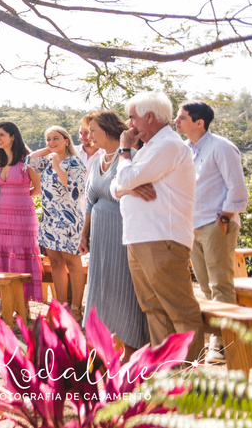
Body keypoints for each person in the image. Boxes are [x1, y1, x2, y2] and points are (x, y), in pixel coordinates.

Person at [111, 91, 204, 361]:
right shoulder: (149, 149)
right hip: (140, 237)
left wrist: (125, 153)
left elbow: (124, 179)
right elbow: (116, 186)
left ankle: (187, 377)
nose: (129, 126)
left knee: (179, 310)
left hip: (163, 237)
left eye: (132, 118)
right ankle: (166, 373)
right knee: (153, 308)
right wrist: (128, 187)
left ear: (149, 117)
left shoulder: (169, 146)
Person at [177, 100, 248, 361]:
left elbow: (238, 188)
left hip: (217, 223)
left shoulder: (222, 147)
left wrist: (226, 217)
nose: (177, 121)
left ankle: (222, 344)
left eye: (181, 117)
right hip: (192, 224)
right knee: (205, 286)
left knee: (221, 284)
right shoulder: (184, 149)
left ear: (199, 122)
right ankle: (217, 338)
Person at [79, 110, 149, 353]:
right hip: (99, 237)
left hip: (124, 233)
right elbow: (90, 202)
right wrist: (84, 234)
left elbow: (141, 192)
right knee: (100, 288)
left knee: (124, 288)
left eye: (93, 130)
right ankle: (100, 347)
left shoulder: (132, 157)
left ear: (109, 130)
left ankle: (131, 349)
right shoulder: (98, 160)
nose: (89, 136)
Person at [28, 126, 87, 316]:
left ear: (67, 140)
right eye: (49, 139)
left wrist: (57, 166)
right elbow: (29, 160)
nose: (52, 142)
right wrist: (50, 150)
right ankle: (61, 306)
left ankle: (76, 307)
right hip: (49, 220)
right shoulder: (47, 160)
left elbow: (75, 191)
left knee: (72, 261)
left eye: (57, 138)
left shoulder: (75, 162)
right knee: (55, 262)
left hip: (69, 220)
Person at [0, 122, 42, 302]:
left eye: (1, 134)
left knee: (21, 256)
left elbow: (38, 187)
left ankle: (22, 302)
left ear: (13, 136)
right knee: (3, 255)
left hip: (23, 217)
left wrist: (21, 198)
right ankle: (6, 301)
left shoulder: (28, 159)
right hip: (2, 216)